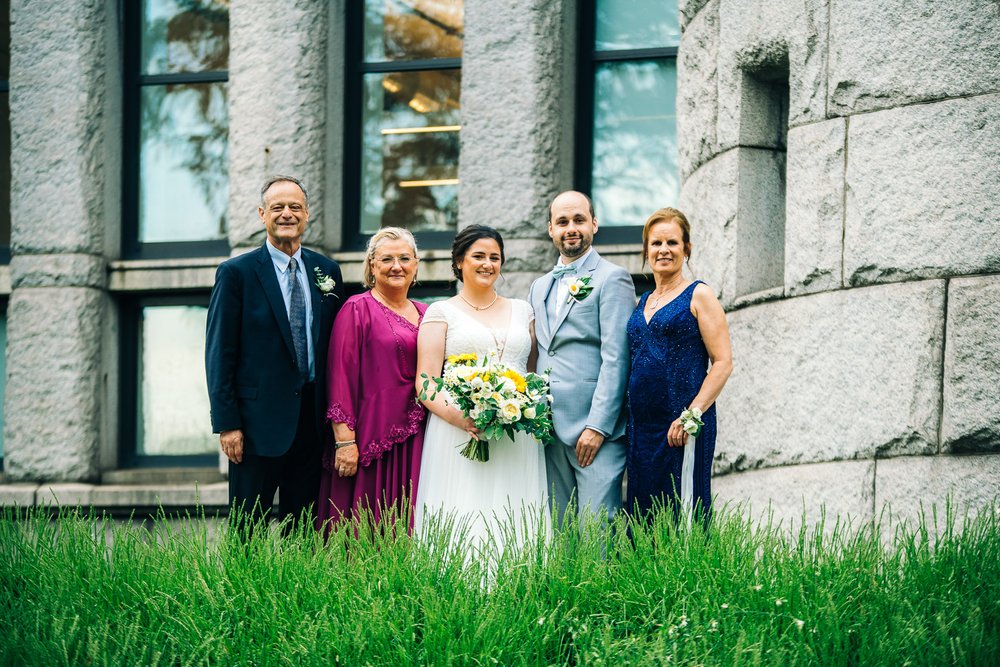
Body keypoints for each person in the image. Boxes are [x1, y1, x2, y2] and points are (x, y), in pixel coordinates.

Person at [206, 175, 344, 533]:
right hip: (254, 429)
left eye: (295, 207)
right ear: (262, 214)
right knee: (247, 534)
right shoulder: (236, 273)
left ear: (307, 214)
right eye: (278, 207)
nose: (287, 214)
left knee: (304, 534)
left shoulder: (326, 271)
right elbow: (220, 352)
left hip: (312, 426)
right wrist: (227, 423)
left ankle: (297, 590)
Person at [413, 225, 547, 551]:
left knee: (513, 508)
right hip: (458, 430)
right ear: (459, 261)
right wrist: (461, 417)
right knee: (464, 509)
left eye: (495, 257)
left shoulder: (522, 310)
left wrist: (521, 405)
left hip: (516, 433)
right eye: (478, 256)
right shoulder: (440, 312)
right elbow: (426, 381)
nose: (487, 264)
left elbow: (530, 371)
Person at [528, 191, 635, 525]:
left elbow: (617, 357)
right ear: (550, 229)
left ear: (594, 224)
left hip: (594, 433)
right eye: (562, 222)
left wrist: (598, 426)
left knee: (597, 533)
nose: (570, 228)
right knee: (558, 534)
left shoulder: (612, 277)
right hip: (547, 432)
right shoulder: (538, 286)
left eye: (578, 220)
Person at [625, 207, 732, 524]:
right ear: (646, 249)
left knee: (682, 514)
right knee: (644, 518)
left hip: (681, 425)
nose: (663, 250)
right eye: (656, 243)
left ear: (687, 249)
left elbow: (723, 362)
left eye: (672, 242)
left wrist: (691, 414)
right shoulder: (643, 301)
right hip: (641, 428)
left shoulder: (699, 294)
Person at [317, 227, 428, 531]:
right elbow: (340, 376)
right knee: (366, 527)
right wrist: (345, 442)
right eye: (387, 259)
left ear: (416, 265)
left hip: (418, 440)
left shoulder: (429, 313)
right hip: (368, 441)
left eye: (405, 258)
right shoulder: (356, 309)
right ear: (372, 266)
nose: (397, 266)